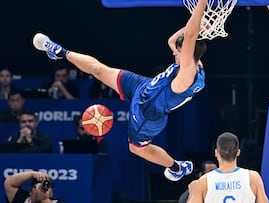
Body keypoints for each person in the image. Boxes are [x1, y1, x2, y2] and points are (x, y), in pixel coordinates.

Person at [33, 0, 207, 181]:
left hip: (148, 111)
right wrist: (200, 27)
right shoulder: (195, 61)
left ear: (188, 52)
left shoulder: (188, 73)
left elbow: (191, 35)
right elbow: (174, 40)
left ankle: (176, 167)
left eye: (178, 52)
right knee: (99, 70)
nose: (174, 53)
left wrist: (201, 5)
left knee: (136, 147)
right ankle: (59, 51)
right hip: (144, 86)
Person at [187, 132, 269, 203]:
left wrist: (193, 193)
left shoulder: (203, 181)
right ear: (238, 152)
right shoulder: (253, 178)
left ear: (216, 152)